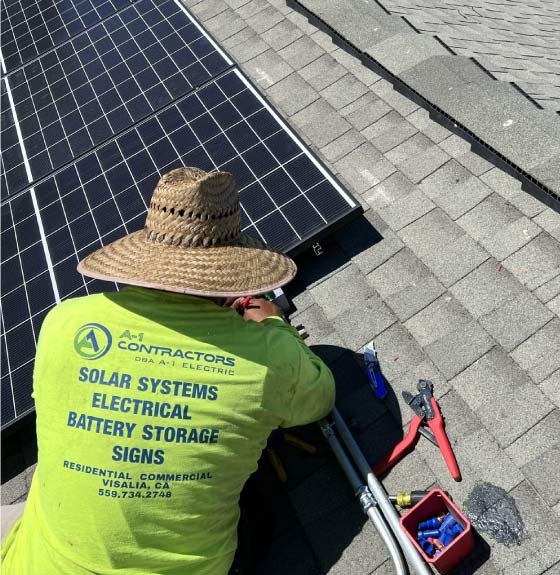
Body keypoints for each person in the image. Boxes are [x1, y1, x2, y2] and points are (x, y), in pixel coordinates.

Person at [1, 167, 336, 574]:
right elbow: (321, 397)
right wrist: (273, 326)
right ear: (232, 272)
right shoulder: (270, 361)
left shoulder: (63, 324)